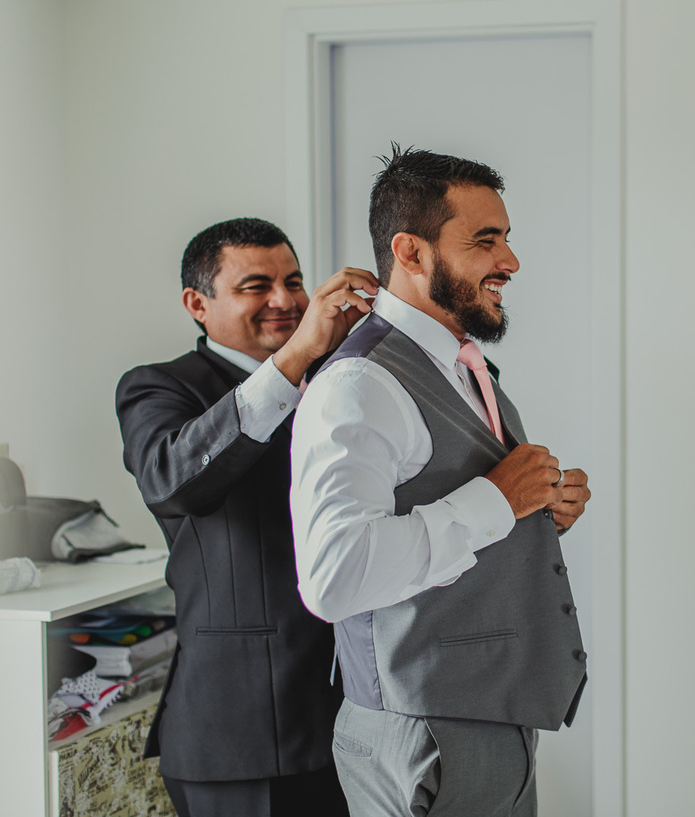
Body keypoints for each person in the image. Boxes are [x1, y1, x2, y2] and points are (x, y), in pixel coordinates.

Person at [290, 147, 591, 817]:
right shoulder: (358, 384)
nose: (509, 261)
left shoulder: (461, 364)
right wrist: (496, 499)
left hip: (488, 714)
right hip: (421, 726)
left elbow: (459, 502)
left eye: (507, 239)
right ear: (412, 251)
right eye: (486, 241)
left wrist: (539, 508)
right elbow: (333, 576)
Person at [116, 217, 379, 817]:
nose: (285, 301)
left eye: (294, 280)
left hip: (358, 717)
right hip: (240, 734)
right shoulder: (159, 387)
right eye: (256, 286)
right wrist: (294, 358)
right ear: (197, 303)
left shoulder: (341, 377)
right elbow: (170, 478)